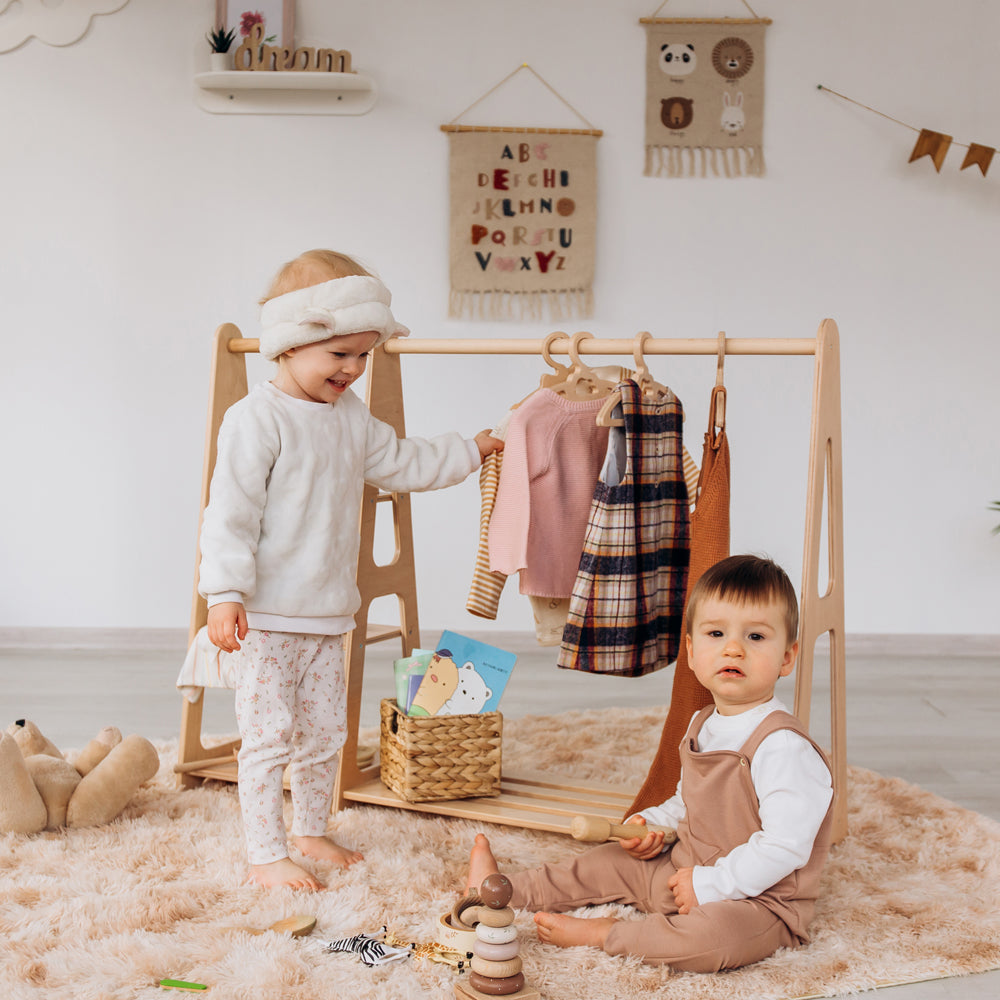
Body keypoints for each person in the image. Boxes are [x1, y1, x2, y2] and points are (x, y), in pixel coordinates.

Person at [200, 248, 503, 891]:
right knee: (267, 736)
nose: (354, 369)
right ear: (288, 345)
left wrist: (470, 450)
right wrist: (224, 593)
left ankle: (310, 827)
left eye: (363, 355)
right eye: (339, 354)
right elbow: (229, 514)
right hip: (265, 618)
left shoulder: (351, 419)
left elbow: (402, 462)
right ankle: (264, 852)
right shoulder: (257, 420)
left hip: (329, 612)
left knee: (325, 732)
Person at [466, 554, 833, 971]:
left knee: (713, 941)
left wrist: (712, 885)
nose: (733, 648)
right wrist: (652, 826)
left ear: (787, 657)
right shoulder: (703, 723)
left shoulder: (783, 746)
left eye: (755, 637)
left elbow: (785, 846)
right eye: (716, 633)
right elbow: (687, 801)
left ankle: (607, 934)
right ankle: (502, 890)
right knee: (605, 864)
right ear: (692, 652)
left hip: (759, 903)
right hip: (684, 872)